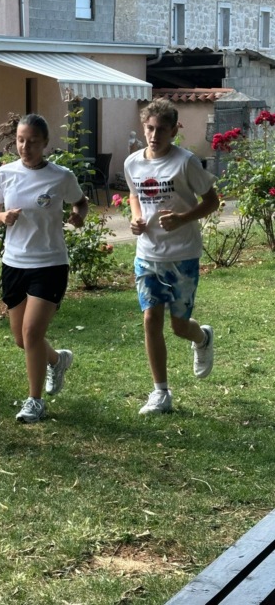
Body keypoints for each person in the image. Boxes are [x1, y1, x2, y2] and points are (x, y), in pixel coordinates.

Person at [0, 113, 88, 424]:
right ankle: (56, 360)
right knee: (21, 338)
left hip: (50, 263)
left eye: (32, 141)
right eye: (20, 140)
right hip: (14, 263)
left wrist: (79, 215)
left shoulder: (61, 176)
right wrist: (2, 218)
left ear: (45, 143)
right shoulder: (4, 174)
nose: (25, 147)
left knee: (31, 333)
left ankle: (35, 401)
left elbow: (80, 202)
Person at [124, 99, 219, 415]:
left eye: (161, 130)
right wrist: (136, 218)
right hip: (148, 254)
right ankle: (161, 392)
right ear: (143, 127)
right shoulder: (133, 163)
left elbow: (212, 201)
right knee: (151, 318)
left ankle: (202, 337)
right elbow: (134, 194)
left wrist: (183, 218)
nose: (154, 136)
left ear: (174, 130)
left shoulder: (185, 162)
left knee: (179, 327)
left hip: (182, 254)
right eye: (150, 128)